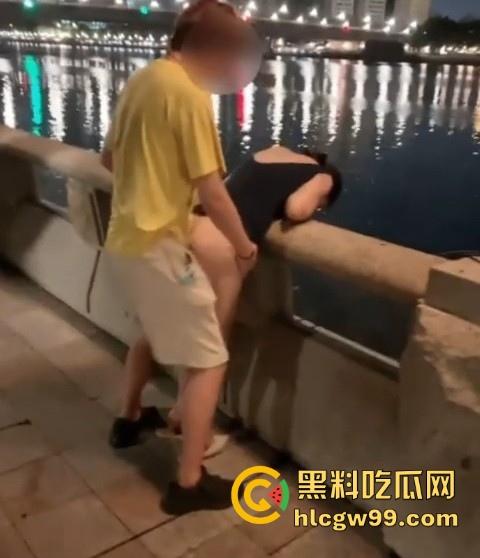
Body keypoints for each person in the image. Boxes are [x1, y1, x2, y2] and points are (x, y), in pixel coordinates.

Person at [102, 0, 260, 515]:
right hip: (159, 249)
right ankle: (189, 483)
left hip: (124, 240)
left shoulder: (143, 79)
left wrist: (152, 186)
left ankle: (128, 421)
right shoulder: (189, 95)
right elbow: (212, 191)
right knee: (209, 359)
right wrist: (244, 247)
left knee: (152, 330)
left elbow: (109, 159)